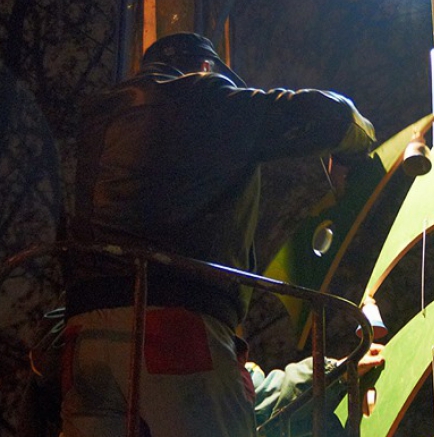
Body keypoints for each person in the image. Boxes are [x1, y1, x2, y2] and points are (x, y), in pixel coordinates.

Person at [61, 32, 377, 437]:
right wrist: (358, 143)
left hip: (84, 336)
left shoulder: (100, 118)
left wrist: (335, 370)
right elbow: (331, 115)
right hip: (176, 327)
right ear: (207, 67)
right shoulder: (207, 98)